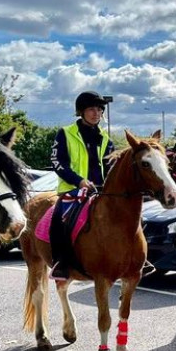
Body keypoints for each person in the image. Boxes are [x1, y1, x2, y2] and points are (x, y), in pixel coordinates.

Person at [49, 90, 115, 279]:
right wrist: (79, 181)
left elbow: (111, 165)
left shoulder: (105, 138)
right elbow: (57, 162)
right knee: (59, 218)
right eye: (91, 109)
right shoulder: (65, 133)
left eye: (99, 110)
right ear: (81, 112)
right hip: (73, 189)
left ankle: (139, 258)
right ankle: (61, 262)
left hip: (102, 192)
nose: (96, 113)